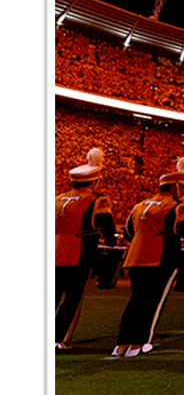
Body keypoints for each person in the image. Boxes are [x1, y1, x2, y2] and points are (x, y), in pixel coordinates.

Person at [113, 157, 184, 357]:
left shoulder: (139, 205)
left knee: (135, 300)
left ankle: (121, 344)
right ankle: (139, 343)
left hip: (136, 257)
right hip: (162, 258)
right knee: (152, 302)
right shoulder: (177, 206)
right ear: (175, 187)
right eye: (183, 188)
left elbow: (127, 233)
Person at [54, 147, 117, 350]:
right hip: (79, 255)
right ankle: (58, 338)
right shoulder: (98, 200)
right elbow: (106, 226)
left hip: (53, 253)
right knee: (72, 301)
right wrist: (110, 242)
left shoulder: (57, 199)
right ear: (94, 181)